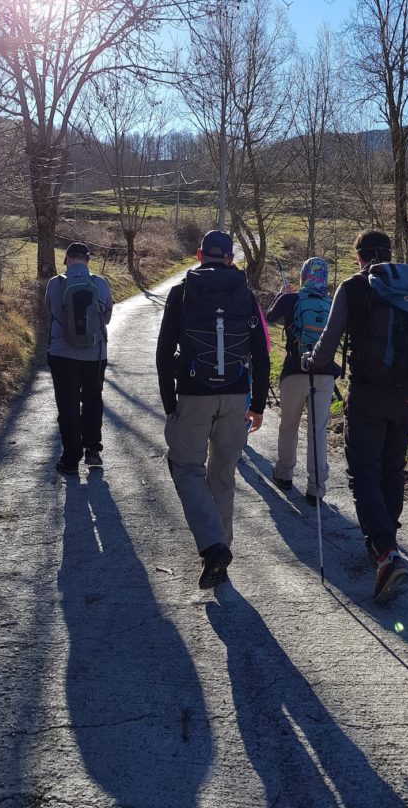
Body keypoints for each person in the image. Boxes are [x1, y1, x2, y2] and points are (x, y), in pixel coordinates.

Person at [301, 229, 408, 604]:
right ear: (389, 253)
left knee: (363, 472)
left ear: (359, 256)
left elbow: (328, 343)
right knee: (392, 469)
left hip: (368, 395)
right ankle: (386, 539)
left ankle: (385, 552)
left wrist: (311, 362)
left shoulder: (353, 287)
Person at [156, 230, 270, 589]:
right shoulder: (245, 294)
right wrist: (258, 405)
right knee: (222, 473)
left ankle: (213, 547)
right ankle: (222, 551)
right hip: (236, 394)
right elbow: (261, 353)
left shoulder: (182, 292)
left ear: (198, 254)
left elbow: (163, 353)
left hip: (193, 393)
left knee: (185, 467)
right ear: (230, 258)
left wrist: (170, 403)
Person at [266, 257, 340, 505]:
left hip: (295, 371)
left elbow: (269, 317)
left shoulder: (292, 299)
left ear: (303, 275)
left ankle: (284, 474)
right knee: (317, 431)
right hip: (325, 373)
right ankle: (316, 488)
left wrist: (282, 295)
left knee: (289, 425)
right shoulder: (332, 304)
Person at [46, 241, 113, 475]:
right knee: (93, 400)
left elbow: (52, 312)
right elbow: (106, 318)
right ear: (87, 260)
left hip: (62, 354)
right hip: (95, 354)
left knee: (68, 406)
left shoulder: (55, 284)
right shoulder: (100, 283)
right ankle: (93, 450)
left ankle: (70, 460)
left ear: (67, 260)